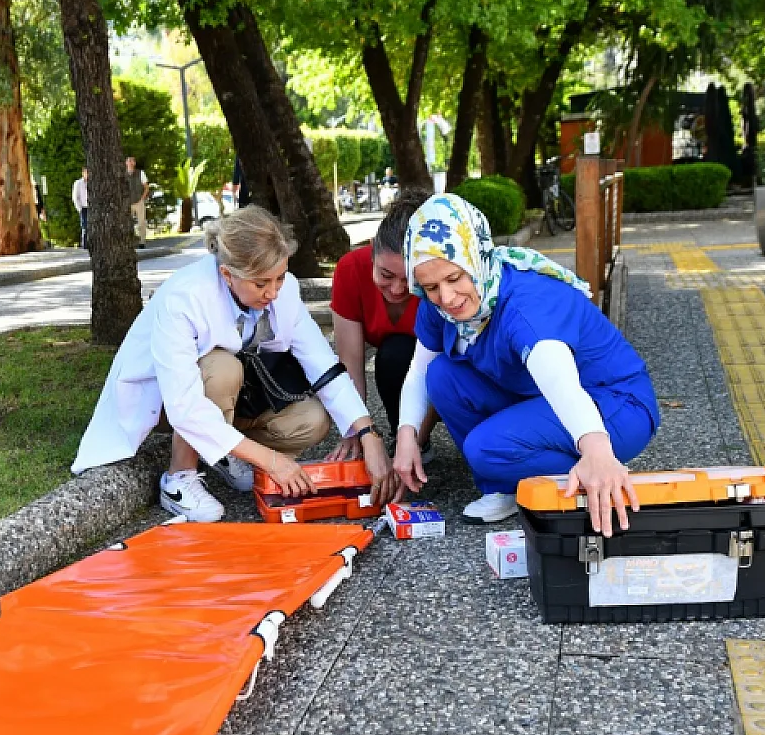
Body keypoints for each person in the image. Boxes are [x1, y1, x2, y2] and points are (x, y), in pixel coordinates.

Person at [73, 206, 400, 522]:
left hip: (229, 393)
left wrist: (368, 433)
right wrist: (271, 461)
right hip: (163, 403)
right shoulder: (184, 298)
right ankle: (178, 479)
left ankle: (227, 453)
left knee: (312, 419)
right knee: (220, 369)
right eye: (261, 283)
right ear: (228, 274)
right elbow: (183, 405)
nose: (273, 292)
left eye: (280, 278)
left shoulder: (282, 291)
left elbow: (322, 364)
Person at [392, 193, 660, 531]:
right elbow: (419, 371)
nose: (446, 298)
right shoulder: (439, 306)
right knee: (442, 375)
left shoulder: (526, 303)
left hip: (615, 404)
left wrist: (596, 449)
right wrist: (406, 438)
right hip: (538, 394)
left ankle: (599, 473)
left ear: (478, 257)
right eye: (431, 287)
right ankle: (502, 486)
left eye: (455, 278)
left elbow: (560, 380)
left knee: (485, 449)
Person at [327, 188, 439, 457]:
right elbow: (351, 362)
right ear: (372, 252)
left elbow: (448, 363)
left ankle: (415, 440)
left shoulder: (440, 277)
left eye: (410, 279)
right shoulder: (351, 269)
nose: (398, 289)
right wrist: (357, 431)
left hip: (449, 371)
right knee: (393, 354)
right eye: (386, 274)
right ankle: (400, 431)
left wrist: (411, 441)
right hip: (397, 362)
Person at [126, 156, 149, 247]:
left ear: (134, 163)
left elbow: (146, 187)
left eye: (132, 161)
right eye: (129, 161)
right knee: (128, 223)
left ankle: (142, 241)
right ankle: (129, 241)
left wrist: (142, 198)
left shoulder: (141, 173)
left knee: (141, 223)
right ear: (126, 163)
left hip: (139, 201)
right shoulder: (123, 174)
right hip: (128, 202)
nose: (131, 163)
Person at [72, 167, 89, 248]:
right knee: (85, 226)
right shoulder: (78, 183)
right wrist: (80, 208)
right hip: (84, 207)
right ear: (83, 173)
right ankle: (85, 244)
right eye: (86, 172)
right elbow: (75, 197)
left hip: (93, 207)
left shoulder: (93, 182)